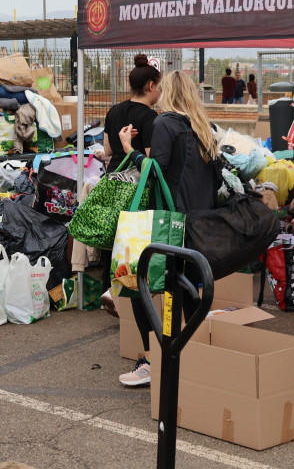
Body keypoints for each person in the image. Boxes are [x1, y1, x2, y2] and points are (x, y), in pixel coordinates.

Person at [116, 70, 219, 387]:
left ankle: (151, 359)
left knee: (138, 282)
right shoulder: (204, 128)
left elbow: (153, 169)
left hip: (169, 222)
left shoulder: (165, 124)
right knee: (187, 286)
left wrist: (128, 149)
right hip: (200, 220)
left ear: (169, 93)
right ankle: (190, 355)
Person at [100, 54, 161, 298]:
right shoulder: (150, 118)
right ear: (151, 86)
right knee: (133, 236)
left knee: (113, 234)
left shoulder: (114, 111)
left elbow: (106, 150)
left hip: (112, 177)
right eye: (160, 87)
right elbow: (147, 160)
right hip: (135, 184)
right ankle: (129, 290)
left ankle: (108, 286)